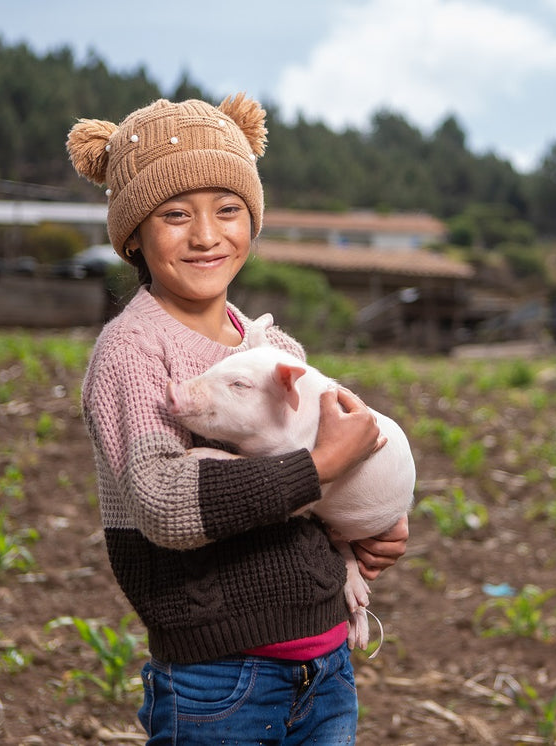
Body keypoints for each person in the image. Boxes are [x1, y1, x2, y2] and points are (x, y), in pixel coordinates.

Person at [67, 93, 409, 744]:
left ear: (251, 222)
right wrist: (321, 467)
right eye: (175, 214)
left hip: (327, 665)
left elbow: (332, 473)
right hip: (219, 678)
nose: (206, 235)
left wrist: (371, 525)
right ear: (133, 233)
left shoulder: (274, 350)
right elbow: (164, 501)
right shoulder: (132, 353)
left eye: (228, 210)